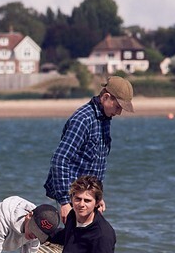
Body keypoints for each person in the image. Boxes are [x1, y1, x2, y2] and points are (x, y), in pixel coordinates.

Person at [43, 75, 134, 223]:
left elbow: (97, 162)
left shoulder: (104, 119)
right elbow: (60, 159)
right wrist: (65, 202)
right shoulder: (83, 120)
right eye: (118, 107)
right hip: (73, 196)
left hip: (88, 196)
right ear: (106, 97)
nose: (119, 113)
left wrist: (97, 196)